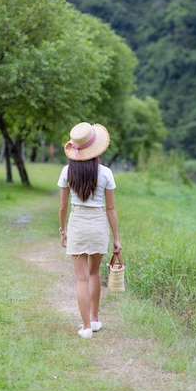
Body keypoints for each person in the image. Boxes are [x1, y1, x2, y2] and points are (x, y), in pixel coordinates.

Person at [57, 122, 121, 339]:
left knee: (81, 278)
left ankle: (85, 327)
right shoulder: (106, 173)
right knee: (94, 273)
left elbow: (63, 206)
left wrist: (62, 230)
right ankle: (94, 320)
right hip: (98, 224)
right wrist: (117, 239)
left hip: (77, 223)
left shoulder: (67, 171)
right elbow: (111, 209)